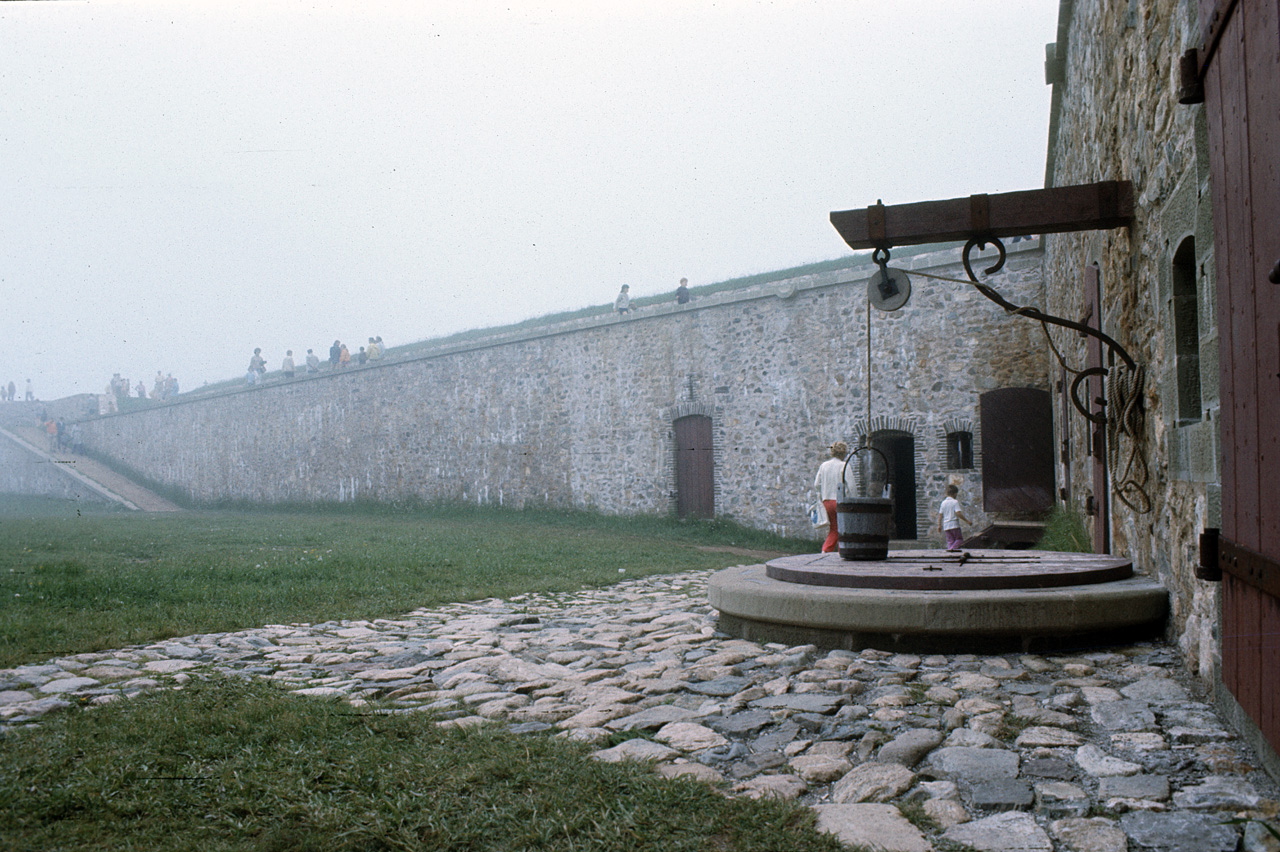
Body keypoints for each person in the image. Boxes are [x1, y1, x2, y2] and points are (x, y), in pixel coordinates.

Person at [813, 441, 849, 553]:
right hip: (840, 501)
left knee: (834, 528)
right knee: (844, 529)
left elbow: (816, 484)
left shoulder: (824, 466)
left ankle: (826, 550)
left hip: (827, 501)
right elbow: (851, 485)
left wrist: (824, 493)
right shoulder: (843, 466)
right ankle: (841, 551)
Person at [937, 484, 972, 552]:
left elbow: (940, 515)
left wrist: (939, 525)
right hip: (954, 525)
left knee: (950, 541)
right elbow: (958, 513)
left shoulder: (943, 503)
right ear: (955, 493)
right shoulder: (955, 502)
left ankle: (950, 554)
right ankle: (951, 550)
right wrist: (967, 521)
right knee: (959, 540)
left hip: (946, 525)